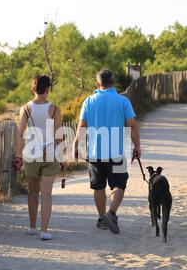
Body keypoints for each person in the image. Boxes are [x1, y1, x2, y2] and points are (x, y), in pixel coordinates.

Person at [73, 69, 141, 234]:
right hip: (117, 152)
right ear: (113, 83)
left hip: (95, 153)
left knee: (98, 187)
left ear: (98, 84)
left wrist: (76, 144)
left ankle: (102, 218)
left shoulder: (89, 101)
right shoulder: (122, 101)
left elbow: (82, 126)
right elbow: (132, 125)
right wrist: (137, 146)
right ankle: (111, 213)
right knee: (118, 185)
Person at [13, 75, 62, 240]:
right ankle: (44, 231)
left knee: (33, 192)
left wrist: (18, 156)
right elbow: (58, 137)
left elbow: (20, 134)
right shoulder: (54, 109)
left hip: (31, 153)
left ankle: (32, 227)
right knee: (46, 194)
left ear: (33, 88)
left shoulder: (25, 108)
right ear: (47, 89)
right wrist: (62, 158)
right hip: (49, 154)